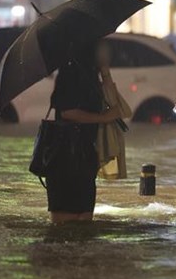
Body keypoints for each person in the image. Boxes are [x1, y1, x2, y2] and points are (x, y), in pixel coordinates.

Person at [46, 41, 122, 224]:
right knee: (64, 221)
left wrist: (105, 71)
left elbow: (115, 105)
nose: (107, 51)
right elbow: (67, 112)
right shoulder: (70, 72)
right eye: (102, 48)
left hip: (86, 155)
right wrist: (102, 118)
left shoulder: (92, 75)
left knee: (85, 219)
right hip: (65, 156)